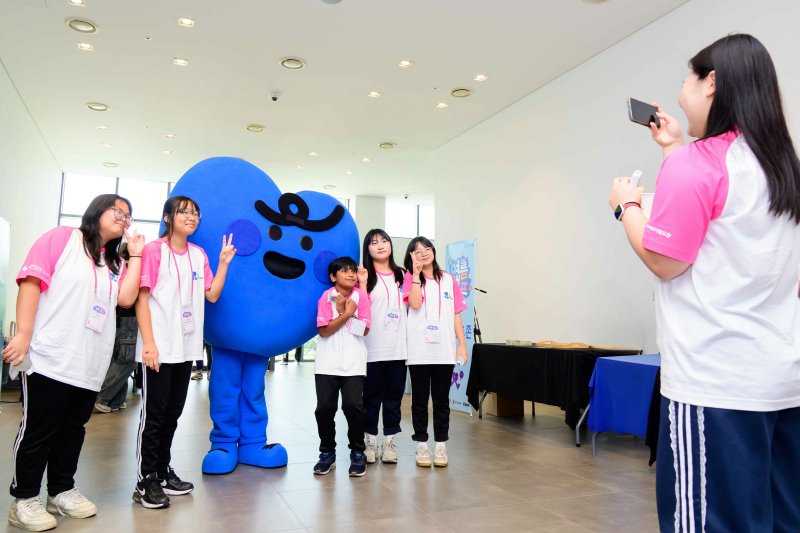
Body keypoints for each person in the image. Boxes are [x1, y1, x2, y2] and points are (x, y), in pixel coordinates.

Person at [608, 34, 800, 532]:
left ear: (711, 82)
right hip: (780, 379)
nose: (679, 95)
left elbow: (664, 259)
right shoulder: (782, 167)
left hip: (714, 384)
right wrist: (674, 147)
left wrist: (626, 205)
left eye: (686, 81)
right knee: (778, 517)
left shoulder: (701, 165)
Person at [1, 194, 144, 531]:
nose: (124, 219)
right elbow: (32, 283)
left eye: (128, 216)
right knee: (39, 429)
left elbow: (125, 299)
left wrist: (135, 255)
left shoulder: (114, 263)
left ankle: (61, 489)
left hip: (88, 363)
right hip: (51, 356)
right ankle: (24, 499)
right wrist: (23, 333)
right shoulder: (63, 238)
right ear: (96, 211)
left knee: (73, 430)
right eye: (117, 211)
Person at [133, 196, 235, 509]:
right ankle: (145, 480)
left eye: (195, 213)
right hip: (158, 348)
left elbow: (212, 295)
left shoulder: (198, 254)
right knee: (154, 414)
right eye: (184, 212)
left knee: (173, 414)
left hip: (186, 347)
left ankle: (163, 470)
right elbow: (141, 297)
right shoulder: (153, 250)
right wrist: (149, 343)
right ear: (167, 218)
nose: (191, 217)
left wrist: (224, 263)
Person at [403, 237, 467, 468]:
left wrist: (462, 344)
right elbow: (416, 304)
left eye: (427, 248)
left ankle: (441, 445)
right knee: (419, 401)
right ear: (411, 256)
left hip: (445, 350)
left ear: (433, 251)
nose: (423, 253)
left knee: (441, 401)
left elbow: (456, 314)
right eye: (417, 251)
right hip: (419, 350)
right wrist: (417, 275)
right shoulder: (409, 279)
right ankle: (421, 445)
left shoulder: (449, 279)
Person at [313, 256, 371, 477]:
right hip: (327, 363)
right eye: (344, 271)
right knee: (325, 409)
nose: (350, 274)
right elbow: (324, 331)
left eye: (353, 271)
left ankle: (358, 452)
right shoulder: (325, 297)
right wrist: (344, 313)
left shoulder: (361, 297)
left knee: (353, 407)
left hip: (354, 363)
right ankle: (327, 453)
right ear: (332, 276)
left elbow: (364, 330)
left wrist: (347, 314)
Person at [356, 229, 407, 464]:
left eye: (384, 240)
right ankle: (370, 441)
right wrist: (364, 283)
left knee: (394, 398)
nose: (380, 245)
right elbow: (359, 308)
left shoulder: (402, 275)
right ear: (367, 249)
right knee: (371, 398)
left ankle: (390, 443)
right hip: (371, 348)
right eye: (374, 243)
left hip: (398, 349)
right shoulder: (364, 276)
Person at [94, 304, 138, 412]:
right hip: (128, 317)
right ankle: (101, 398)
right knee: (127, 361)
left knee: (119, 357)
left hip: (118, 315)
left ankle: (116, 400)